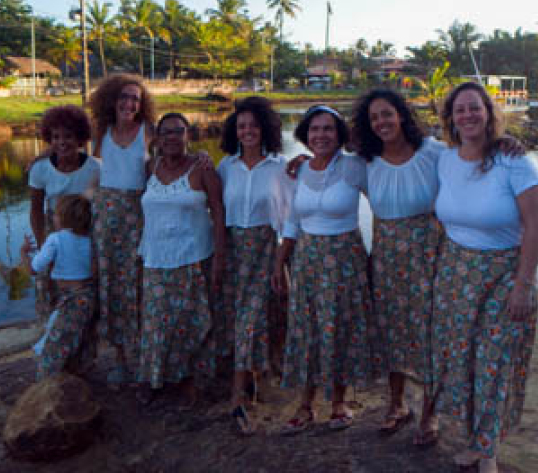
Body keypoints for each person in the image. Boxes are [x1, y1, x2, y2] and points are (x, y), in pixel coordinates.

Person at [431, 82, 538, 473]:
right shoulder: (444, 160)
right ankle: (475, 439)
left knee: (493, 362)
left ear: (488, 112)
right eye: (460, 110)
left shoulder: (515, 162)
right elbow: (391, 155)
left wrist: (523, 285)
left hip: (504, 274)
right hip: (455, 275)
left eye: (474, 108)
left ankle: (487, 451)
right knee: (462, 361)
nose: (468, 116)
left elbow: (535, 227)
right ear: (451, 118)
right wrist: (299, 163)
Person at [273, 105, 379, 434]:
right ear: (305, 134)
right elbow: (292, 221)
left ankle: (338, 402)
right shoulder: (300, 170)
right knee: (307, 330)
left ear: (340, 134)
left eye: (328, 129)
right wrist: (280, 263)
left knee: (339, 328)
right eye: (315, 129)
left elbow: (383, 202)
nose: (321, 135)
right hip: (306, 259)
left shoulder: (355, 166)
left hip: (344, 260)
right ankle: (304, 405)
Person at [350, 88, 444, 443]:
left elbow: (473, 161)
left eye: (386, 114)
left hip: (430, 255)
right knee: (390, 331)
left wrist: (505, 143)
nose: (381, 122)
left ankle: (430, 413)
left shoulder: (433, 153)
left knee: (429, 332)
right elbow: (326, 170)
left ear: (401, 115)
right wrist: (297, 164)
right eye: (374, 118)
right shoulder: (364, 163)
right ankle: (397, 404)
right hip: (387, 257)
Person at [135, 112, 227, 407]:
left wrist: (219, 259)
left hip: (193, 257)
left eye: (178, 131)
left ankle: (192, 382)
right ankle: (155, 378)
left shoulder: (202, 169)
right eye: (166, 132)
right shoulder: (151, 167)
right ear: (158, 138)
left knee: (193, 322)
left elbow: (219, 212)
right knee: (155, 325)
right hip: (155, 258)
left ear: (189, 135)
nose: (172, 137)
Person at [217, 96, 294, 436]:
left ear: (265, 128)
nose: (247, 131)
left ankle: (237, 395)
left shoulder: (281, 166)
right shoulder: (224, 167)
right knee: (239, 321)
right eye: (241, 126)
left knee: (252, 319)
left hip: (265, 249)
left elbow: (292, 216)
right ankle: (251, 378)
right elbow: (214, 211)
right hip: (233, 251)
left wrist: (282, 262)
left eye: (253, 125)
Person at [88, 74, 155, 386]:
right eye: (125, 97)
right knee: (111, 285)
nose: (130, 103)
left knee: (139, 285)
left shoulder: (148, 132)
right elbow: (89, 167)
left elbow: (173, 159)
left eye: (136, 99)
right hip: (107, 218)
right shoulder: (101, 133)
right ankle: (119, 358)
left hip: (139, 217)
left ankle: (143, 356)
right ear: (112, 100)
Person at [28, 105, 100, 320]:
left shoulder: (96, 168)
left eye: (68, 136)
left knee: (84, 286)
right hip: (54, 231)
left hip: (86, 234)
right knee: (50, 286)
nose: (62, 142)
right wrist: (41, 243)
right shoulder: (40, 169)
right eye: (56, 137)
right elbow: (35, 211)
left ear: (80, 138)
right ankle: (52, 333)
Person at [20, 194, 97, 380]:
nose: (52, 218)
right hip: (89, 297)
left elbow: (33, 269)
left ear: (64, 218)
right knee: (81, 340)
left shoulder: (55, 239)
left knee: (55, 346)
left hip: (72, 300)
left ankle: (47, 385)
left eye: (55, 214)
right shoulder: (90, 239)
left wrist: (23, 253)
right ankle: (76, 377)